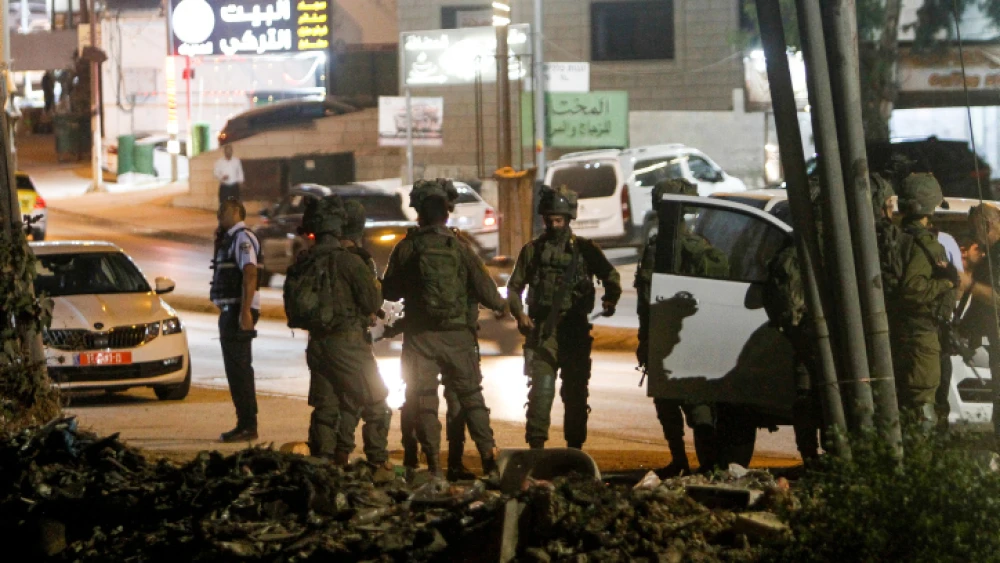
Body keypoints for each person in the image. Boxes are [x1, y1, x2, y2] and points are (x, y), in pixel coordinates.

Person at [382, 179, 507, 478]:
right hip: (459, 338)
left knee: (424, 400)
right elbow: (490, 295)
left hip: (421, 338)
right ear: (447, 214)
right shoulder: (460, 248)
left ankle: (434, 467)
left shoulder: (408, 247)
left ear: (419, 214)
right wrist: (505, 308)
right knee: (471, 398)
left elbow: (389, 292)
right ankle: (489, 459)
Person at [507, 185, 622, 450]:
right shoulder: (533, 250)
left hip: (575, 330)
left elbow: (610, 275)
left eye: (558, 220)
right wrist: (519, 314)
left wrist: (611, 298)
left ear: (568, 219)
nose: (554, 225)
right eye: (549, 220)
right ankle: (536, 448)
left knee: (575, 393)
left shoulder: (584, 250)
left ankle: (574, 449)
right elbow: (514, 288)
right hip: (543, 331)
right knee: (541, 391)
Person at [292, 197, 393, 480]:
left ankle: (323, 467)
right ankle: (378, 464)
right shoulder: (350, 262)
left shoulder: (307, 261)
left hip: (317, 345)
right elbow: (373, 300)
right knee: (376, 402)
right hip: (348, 344)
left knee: (326, 407)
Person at [637, 178, 725, 474]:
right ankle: (681, 461)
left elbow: (717, 287)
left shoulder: (697, 250)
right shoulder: (655, 248)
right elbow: (645, 300)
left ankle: (709, 465)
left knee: (697, 404)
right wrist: (644, 341)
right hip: (662, 338)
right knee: (666, 404)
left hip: (689, 339)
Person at [888, 173, 958, 426]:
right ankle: (920, 462)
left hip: (900, 331)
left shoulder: (895, 239)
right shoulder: (924, 244)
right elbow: (913, 289)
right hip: (921, 333)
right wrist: (947, 282)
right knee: (922, 404)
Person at [212, 198, 261, 442]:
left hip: (237, 311)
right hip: (231, 310)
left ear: (235, 211)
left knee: (240, 370)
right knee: (235, 370)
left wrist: (245, 312)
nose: (218, 214)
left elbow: (250, 273)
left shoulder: (242, 237)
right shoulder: (229, 238)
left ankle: (248, 425)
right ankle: (244, 423)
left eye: (222, 210)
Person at [960, 202, 1000, 443]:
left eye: (975, 232)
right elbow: (981, 307)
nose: (974, 240)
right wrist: (967, 328)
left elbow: (995, 298)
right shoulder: (992, 255)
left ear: (988, 225)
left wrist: (968, 284)